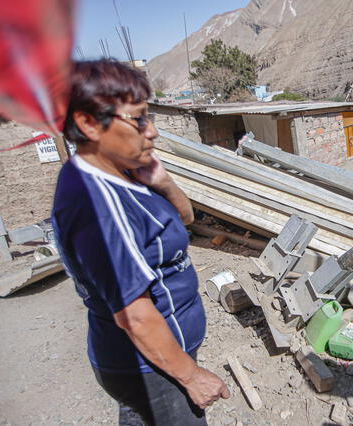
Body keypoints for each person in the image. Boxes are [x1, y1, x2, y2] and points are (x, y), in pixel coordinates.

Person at [51, 59, 230, 425]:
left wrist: (162, 182)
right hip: (148, 367)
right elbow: (135, 314)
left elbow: (184, 221)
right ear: (88, 124)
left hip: (161, 357)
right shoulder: (98, 207)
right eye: (139, 118)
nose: (153, 132)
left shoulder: (123, 175)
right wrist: (191, 376)